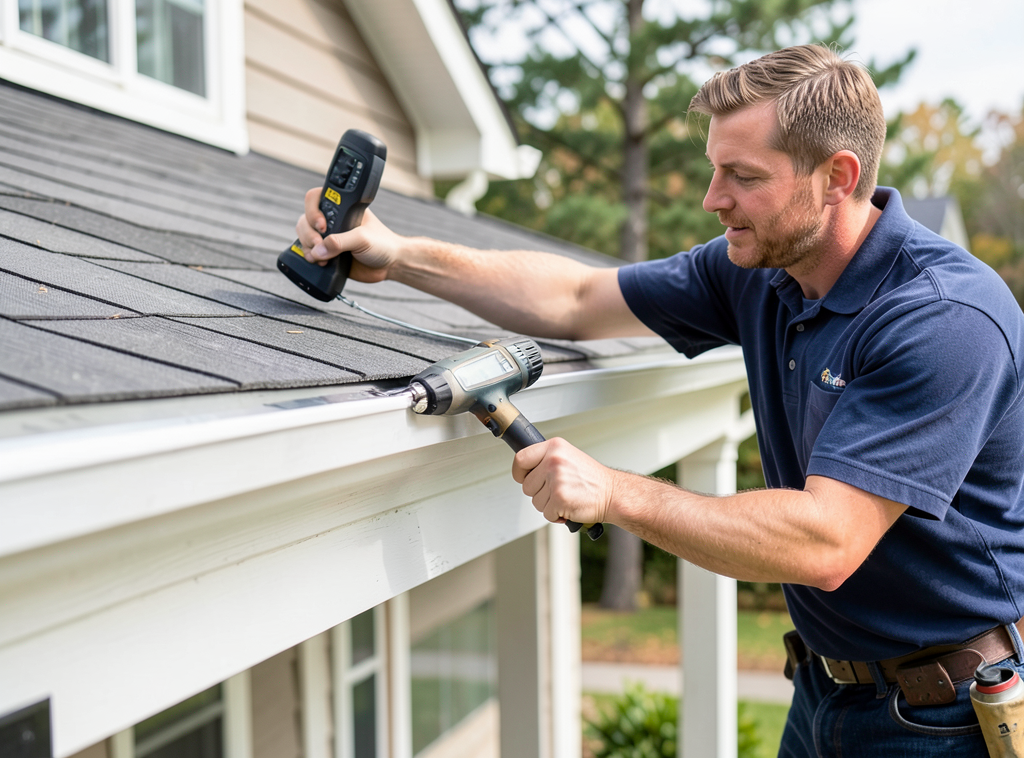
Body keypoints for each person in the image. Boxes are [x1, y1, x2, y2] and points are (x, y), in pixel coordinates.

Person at [296, 44, 1024, 756]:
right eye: (714, 170)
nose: (713, 200)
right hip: (825, 692)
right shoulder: (762, 267)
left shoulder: (944, 318)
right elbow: (577, 298)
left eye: (741, 175)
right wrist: (400, 256)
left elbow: (826, 540)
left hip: (948, 716)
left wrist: (614, 492)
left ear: (837, 176)